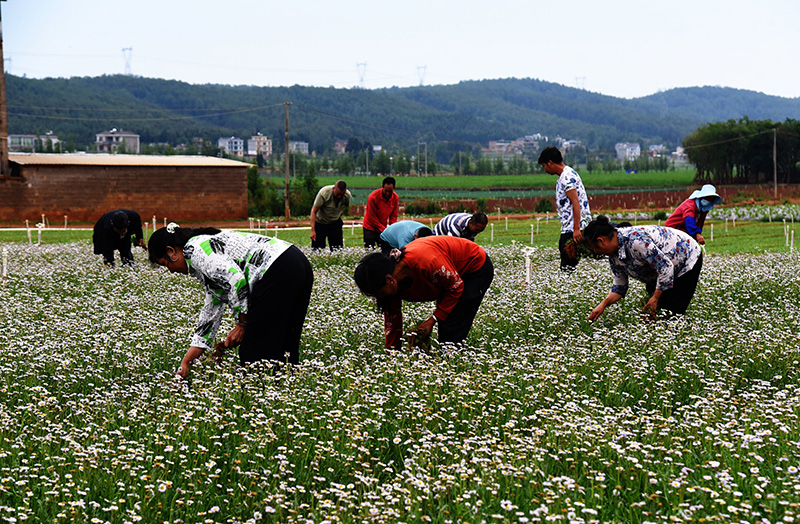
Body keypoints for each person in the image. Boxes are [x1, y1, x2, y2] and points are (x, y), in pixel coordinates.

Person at [148, 224, 314, 378]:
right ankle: (287, 388)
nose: (170, 271)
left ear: (171, 252)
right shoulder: (204, 253)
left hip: (276, 268)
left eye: (165, 264)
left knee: (253, 352)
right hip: (295, 261)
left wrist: (241, 324)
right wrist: (186, 362)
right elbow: (209, 317)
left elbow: (236, 280)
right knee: (285, 341)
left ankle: (260, 397)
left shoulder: (195, 251)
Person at [354, 235, 494, 350]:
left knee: (451, 327)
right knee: (444, 325)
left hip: (474, 268)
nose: (379, 297)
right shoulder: (391, 283)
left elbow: (455, 286)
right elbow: (392, 318)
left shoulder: (427, 262)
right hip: (449, 276)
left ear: (389, 279)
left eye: (378, 293)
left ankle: (453, 363)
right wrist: (393, 355)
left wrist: (432, 320)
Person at [584, 215, 703, 320]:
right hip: (661, 272)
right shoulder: (614, 256)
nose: (596, 252)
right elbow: (620, 287)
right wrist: (603, 305)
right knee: (656, 312)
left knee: (672, 313)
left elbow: (666, 267)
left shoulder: (636, 241)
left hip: (687, 259)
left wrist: (655, 297)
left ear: (601, 241)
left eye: (595, 249)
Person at [537, 146, 592, 270]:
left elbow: (575, 202)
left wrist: (576, 229)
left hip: (572, 229)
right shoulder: (566, 174)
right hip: (571, 227)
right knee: (568, 264)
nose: (545, 169)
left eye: (544, 166)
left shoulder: (567, 177)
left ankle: (569, 285)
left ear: (550, 163)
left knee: (567, 266)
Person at [310, 180, 351, 250]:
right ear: (333, 188)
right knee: (317, 249)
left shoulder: (347, 195)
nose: (339, 196)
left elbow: (346, 207)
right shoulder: (324, 193)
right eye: (338, 194)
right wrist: (313, 230)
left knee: (337, 249)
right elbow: (313, 211)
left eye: (341, 194)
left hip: (335, 223)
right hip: (320, 223)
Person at [363, 176, 399, 248]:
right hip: (370, 227)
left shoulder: (395, 198)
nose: (388, 193)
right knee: (370, 251)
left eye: (390, 191)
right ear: (382, 187)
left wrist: (392, 229)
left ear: (394, 188)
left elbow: (394, 216)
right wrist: (383, 229)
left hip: (382, 227)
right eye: (386, 191)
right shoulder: (373, 197)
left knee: (385, 249)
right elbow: (371, 217)